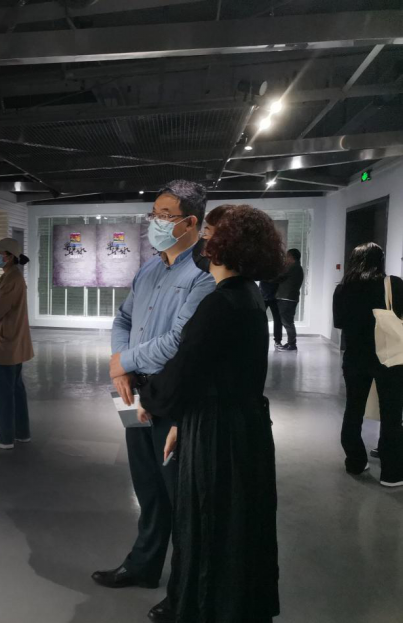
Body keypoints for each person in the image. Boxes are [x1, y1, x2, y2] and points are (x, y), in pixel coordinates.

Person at [139, 205, 283, 623]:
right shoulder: (247, 295)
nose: (203, 240)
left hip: (218, 436)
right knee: (237, 528)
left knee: (208, 524)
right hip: (242, 428)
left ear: (227, 244)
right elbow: (214, 371)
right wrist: (182, 423)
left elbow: (184, 370)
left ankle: (206, 608)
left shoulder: (220, 303)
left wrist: (148, 398)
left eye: (210, 233)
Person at [95, 181, 215, 600]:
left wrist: (124, 361)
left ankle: (185, 588)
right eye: (155, 214)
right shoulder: (148, 269)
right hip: (132, 394)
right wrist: (121, 366)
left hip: (170, 398)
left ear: (190, 222)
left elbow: (179, 341)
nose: (156, 222)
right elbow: (123, 319)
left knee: (178, 493)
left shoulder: (203, 276)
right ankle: (143, 565)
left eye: (165, 215)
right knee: (147, 487)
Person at [333, 242, 403, 488]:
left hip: (355, 358)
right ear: (380, 261)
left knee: (353, 410)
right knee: (391, 414)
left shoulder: (342, 289)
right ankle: (392, 473)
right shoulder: (393, 284)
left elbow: (339, 322)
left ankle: (355, 461)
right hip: (389, 358)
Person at [0, 238, 34, 450]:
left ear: (10, 256)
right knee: (16, 389)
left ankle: (5, 438)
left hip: (8, 343)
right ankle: (21, 433)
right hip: (15, 341)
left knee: (3, 391)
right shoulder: (14, 276)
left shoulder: (11, 278)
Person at [273, 248, 304, 351]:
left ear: (291, 257)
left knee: (287, 323)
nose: (285, 259)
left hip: (287, 299)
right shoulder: (298, 268)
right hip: (290, 298)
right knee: (288, 322)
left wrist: (267, 277)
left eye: (287, 257)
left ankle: (292, 344)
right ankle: (291, 343)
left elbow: (279, 277)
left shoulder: (292, 267)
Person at [260, 279, 282, 347]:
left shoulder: (276, 274)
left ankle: (277, 341)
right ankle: (277, 341)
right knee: (261, 319)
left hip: (272, 297)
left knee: (277, 320)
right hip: (267, 297)